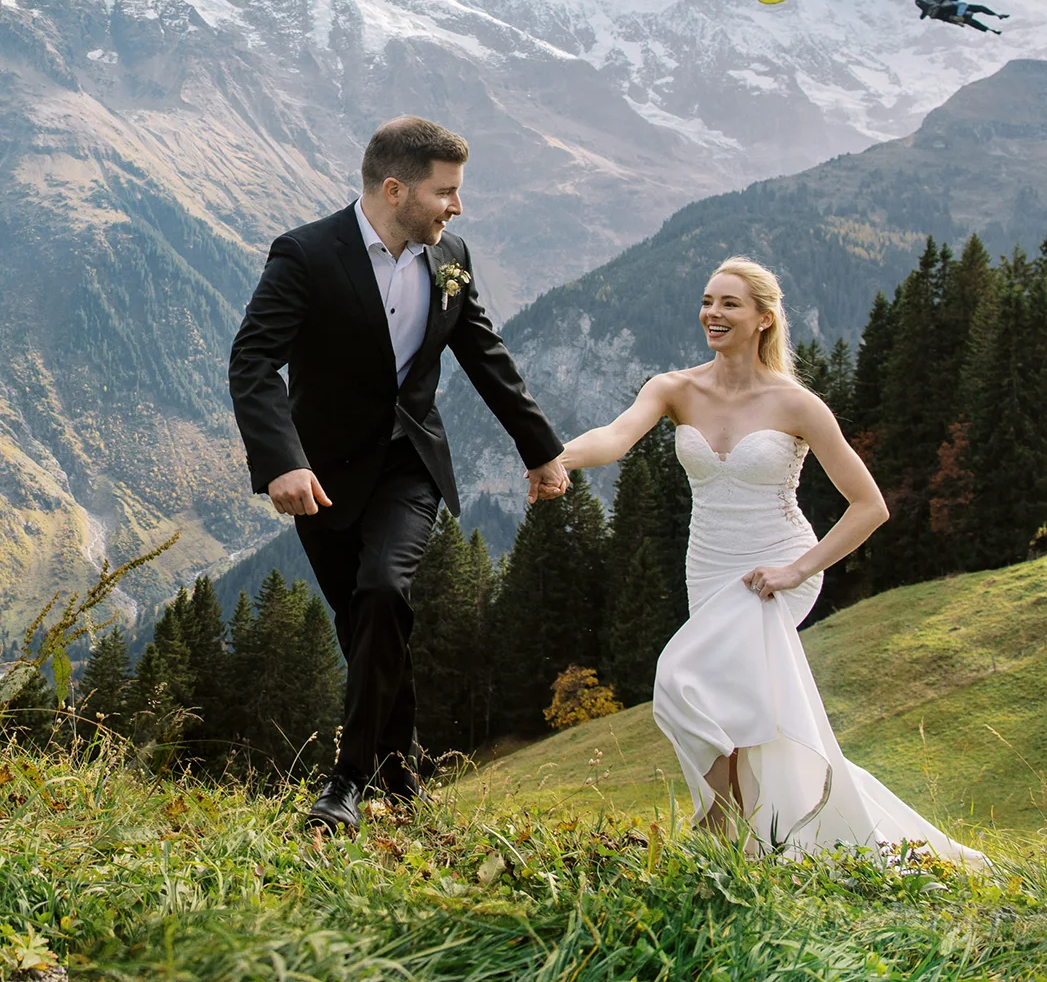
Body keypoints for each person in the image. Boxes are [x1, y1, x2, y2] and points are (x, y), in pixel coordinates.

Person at [560, 257, 985, 863]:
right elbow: (614, 436)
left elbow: (870, 506)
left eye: (730, 304)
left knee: (680, 678)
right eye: (708, 301)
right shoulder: (673, 389)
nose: (713, 313)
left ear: (763, 318)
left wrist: (798, 570)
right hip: (707, 567)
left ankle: (716, 829)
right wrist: (557, 458)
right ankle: (752, 845)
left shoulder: (798, 405)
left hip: (776, 570)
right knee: (735, 707)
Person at [229, 116, 569, 834]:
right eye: (446, 192)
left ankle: (346, 784)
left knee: (385, 590)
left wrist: (541, 450)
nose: (457, 207)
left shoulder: (451, 255)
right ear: (395, 189)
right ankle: (403, 775)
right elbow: (253, 362)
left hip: (409, 462)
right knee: (366, 625)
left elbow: (485, 354)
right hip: (320, 477)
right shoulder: (306, 255)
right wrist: (283, 462)